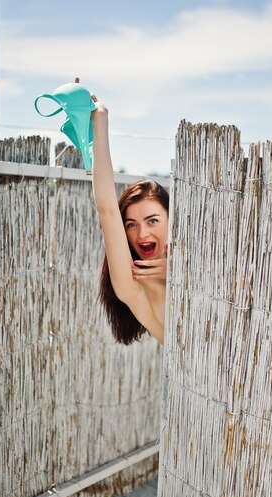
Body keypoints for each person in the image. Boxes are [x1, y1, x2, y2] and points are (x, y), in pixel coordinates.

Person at [79, 78, 169, 345]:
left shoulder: (206, 265)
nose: (142, 232)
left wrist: (179, 273)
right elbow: (107, 208)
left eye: (152, 220)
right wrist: (100, 121)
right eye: (130, 224)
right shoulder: (134, 285)